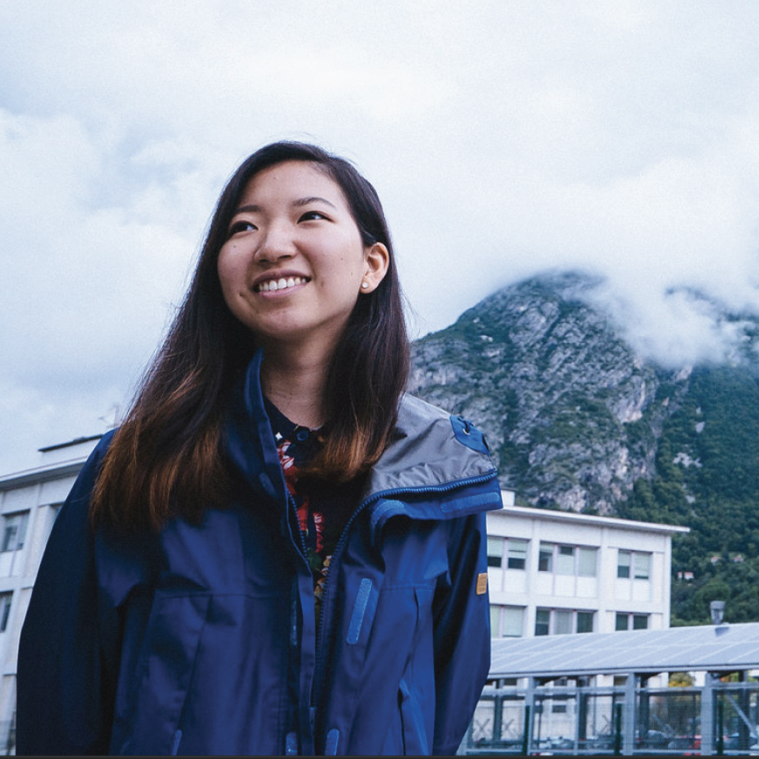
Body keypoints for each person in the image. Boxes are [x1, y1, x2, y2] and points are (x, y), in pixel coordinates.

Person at [16, 141, 503, 756]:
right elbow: (60, 699)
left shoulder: (442, 477)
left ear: (371, 265)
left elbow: (450, 688)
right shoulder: (137, 463)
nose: (272, 245)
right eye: (243, 226)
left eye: (310, 217)